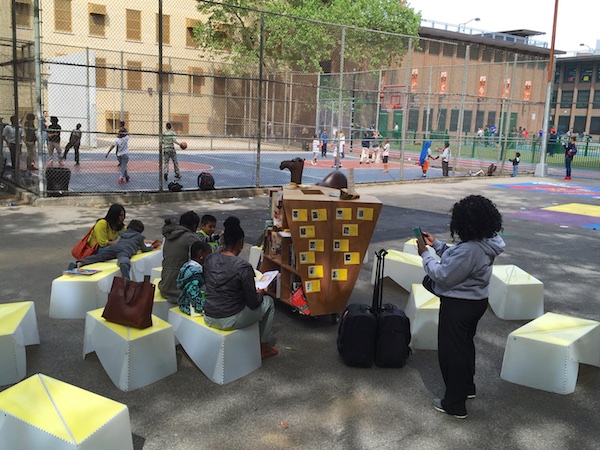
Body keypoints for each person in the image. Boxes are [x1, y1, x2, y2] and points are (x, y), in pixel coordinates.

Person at [417, 195, 505, 419]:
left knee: (451, 353)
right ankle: (466, 387)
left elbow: (443, 275)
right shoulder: (485, 243)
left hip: (458, 305)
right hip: (476, 302)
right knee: (464, 347)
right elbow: (460, 258)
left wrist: (425, 255)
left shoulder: (471, 250)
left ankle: (454, 403)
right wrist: (436, 245)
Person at [203, 216, 278, 360]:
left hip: (209, 314)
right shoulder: (242, 266)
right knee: (269, 303)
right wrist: (261, 292)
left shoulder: (210, 258)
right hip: (229, 318)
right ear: (241, 243)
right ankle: (263, 348)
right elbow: (253, 303)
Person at [72, 220, 160, 279]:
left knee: (100, 256)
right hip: (126, 250)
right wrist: (152, 247)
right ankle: (126, 280)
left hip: (115, 246)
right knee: (124, 261)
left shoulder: (124, 233)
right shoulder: (139, 237)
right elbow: (144, 249)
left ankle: (81, 262)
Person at [159, 211, 201, 304]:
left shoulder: (169, 235)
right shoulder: (191, 238)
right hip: (177, 291)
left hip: (165, 285)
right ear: (194, 226)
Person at [176, 241, 212, 316]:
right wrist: (201, 307)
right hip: (190, 307)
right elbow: (193, 294)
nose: (210, 258)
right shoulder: (195, 274)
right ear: (201, 254)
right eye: (209, 254)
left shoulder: (187, 266)